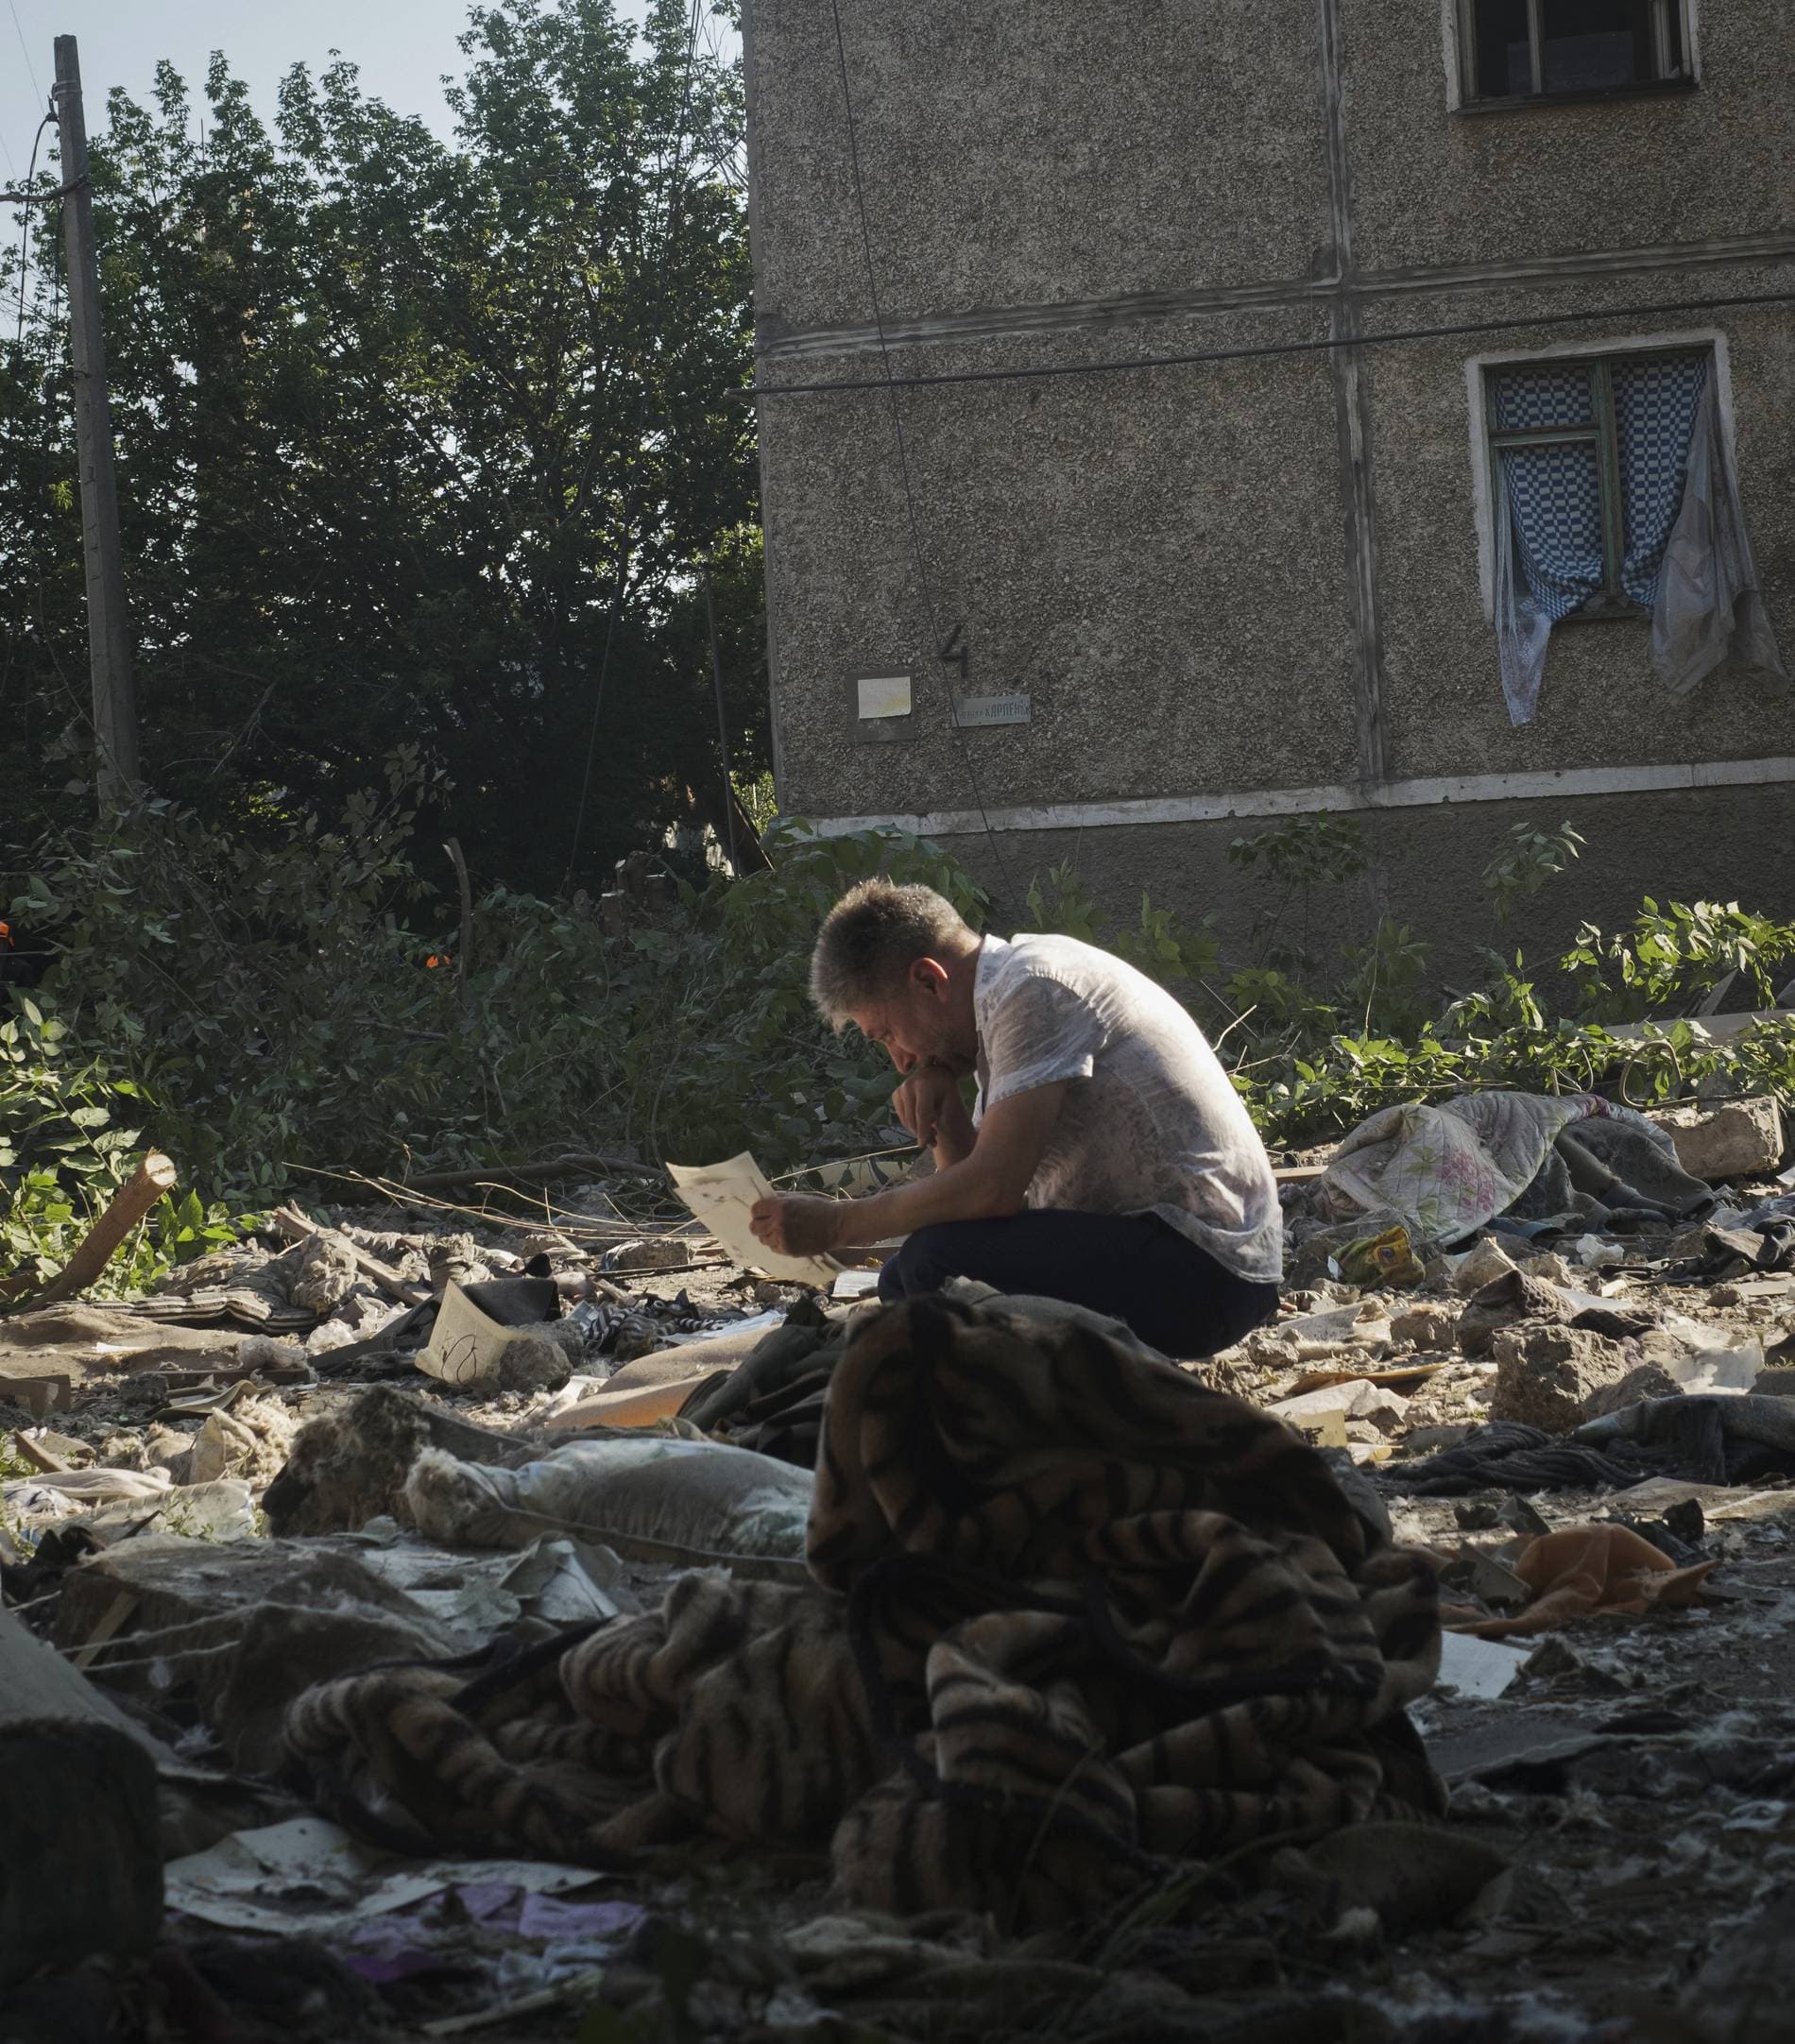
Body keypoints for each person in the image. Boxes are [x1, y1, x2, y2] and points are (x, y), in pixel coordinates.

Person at [748, 879, 1282, 1358]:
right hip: (1171, 1257)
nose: (899, 1060)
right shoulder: (1000, 1005)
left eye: (887, 1034)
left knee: (930, 1267)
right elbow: (990, 1215)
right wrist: (948, 1109)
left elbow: (992, 1191)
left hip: (1210, 1269)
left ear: (930, 981)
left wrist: (838, 1224)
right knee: (906, 1278)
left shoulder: (1032, 988)